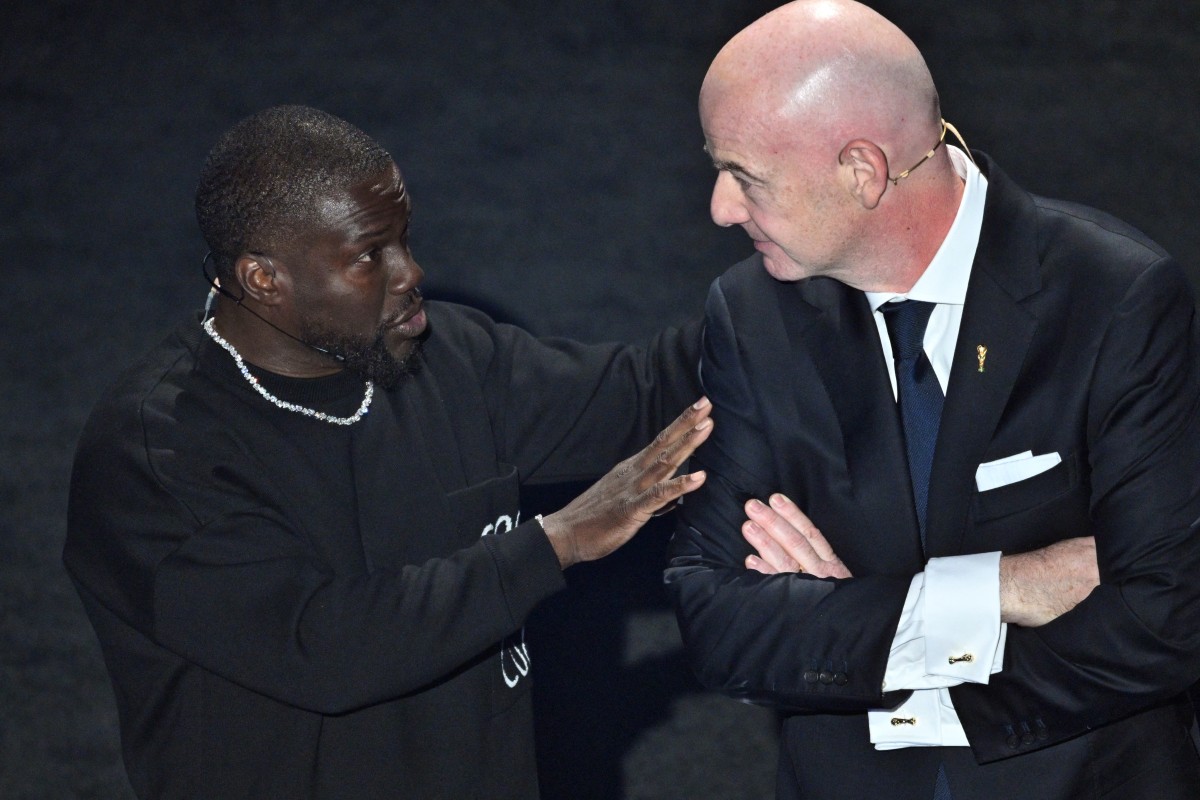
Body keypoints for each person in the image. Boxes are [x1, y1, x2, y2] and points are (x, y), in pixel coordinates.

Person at [63, 105, 712, 799]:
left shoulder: (447, 357)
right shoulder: (156, 455)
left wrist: (812, 276)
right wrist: (553, 544)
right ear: (263, 279)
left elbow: (645, 393)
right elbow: (324, 647)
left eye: (404, 240)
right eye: (370, 255)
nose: (411, 272)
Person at [665, 1, 1200, 798]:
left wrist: (883, 657)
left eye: (746, 177)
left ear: (862, 171)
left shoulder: (1114, 300)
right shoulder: (751, 315)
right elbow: (719, 624)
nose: (720, 208)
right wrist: (999, 591)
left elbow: (1168, 617)